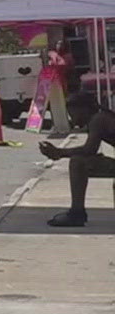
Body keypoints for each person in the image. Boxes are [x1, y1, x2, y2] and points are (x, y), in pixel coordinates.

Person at [39, 91, 115, 227]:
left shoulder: (98, 119)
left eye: (73, 114)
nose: (73, 119)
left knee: (78, 163)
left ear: (84, 109)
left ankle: (77, 213)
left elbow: (89, 149)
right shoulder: (101, 116)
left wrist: (59, 152)